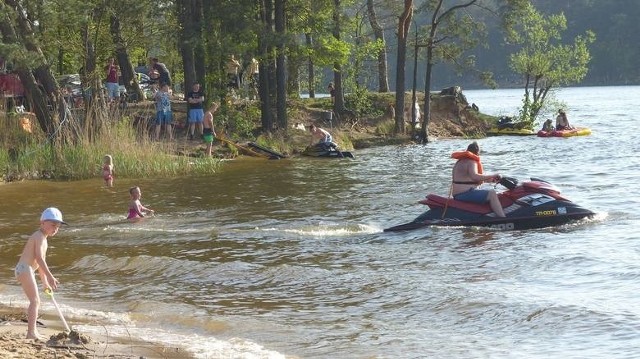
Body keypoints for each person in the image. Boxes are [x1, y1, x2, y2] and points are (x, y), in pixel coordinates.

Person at [15, 207, 66, 340]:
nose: (55, 228)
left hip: (26, 269)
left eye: (58, 226)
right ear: (42, 223)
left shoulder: (44, 239)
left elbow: (39, 266)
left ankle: (33, 331)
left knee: (36, 301)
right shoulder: (38, 236)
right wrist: (50, 277)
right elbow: (39, 259)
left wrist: (45, 284)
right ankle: (31, 333)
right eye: (53, 225)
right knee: (35, 301)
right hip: (24, 268)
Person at [451, 141, 505, 217]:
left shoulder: (460, 161)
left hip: (458, 194)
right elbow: (475, 176)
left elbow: (470, 179)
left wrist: (491, 180)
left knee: (489, 191)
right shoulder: (471, 162)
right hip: (464, 194)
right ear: (477, 152)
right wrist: (493, 175)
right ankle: (503, 218)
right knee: (492, 193)